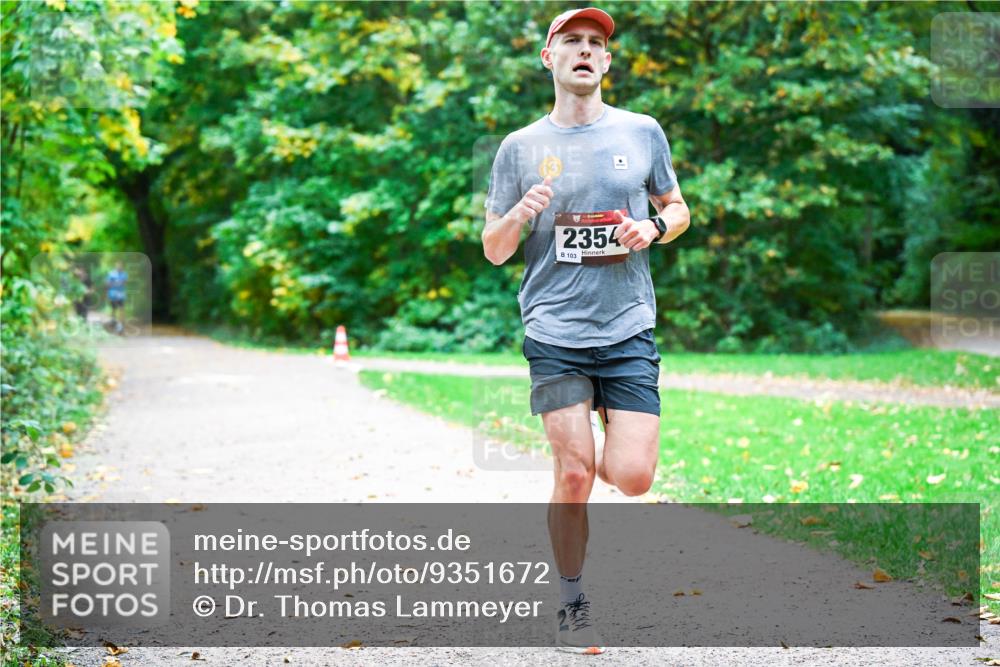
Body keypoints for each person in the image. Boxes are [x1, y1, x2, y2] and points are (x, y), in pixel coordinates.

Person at [481, 7, 690, 655]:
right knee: (574, 473)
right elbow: (493, 247)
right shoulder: (519, 148)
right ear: (549, 58)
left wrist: (652, 229)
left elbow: (678, 208)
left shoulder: (642, 130)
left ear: (606, 62)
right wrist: (520, 210)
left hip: (628, 328)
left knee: (631, 477)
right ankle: (572, 602)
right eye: (571, 41)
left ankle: (606, 409)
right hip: (554, 331)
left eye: (595, 43)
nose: (584, 50)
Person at [106, 261, 128, 335]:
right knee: (113, 309)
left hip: (121, 294)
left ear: (122, 266)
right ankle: (113, 323)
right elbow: (108, 284)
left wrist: (115, 283)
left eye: (120, 265)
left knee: (121, 310)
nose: (119, 267)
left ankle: (120, 326)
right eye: (117, 265)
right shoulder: (111, 273)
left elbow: (124, 282)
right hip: (112, 294)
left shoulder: (124, 274)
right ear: (115, 266)